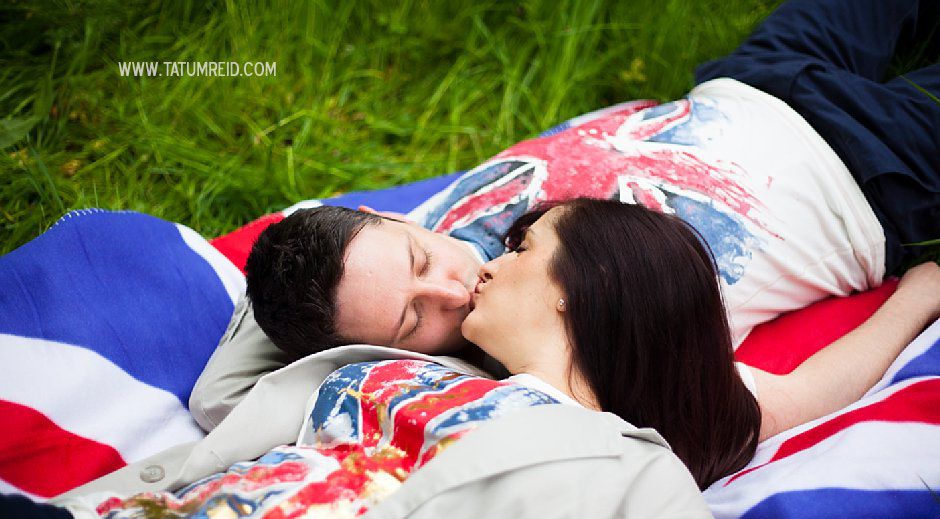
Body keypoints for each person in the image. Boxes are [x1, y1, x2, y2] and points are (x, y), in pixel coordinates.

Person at [4, 196, 938, 519]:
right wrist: (375, 240)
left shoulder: (641, 487)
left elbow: (801, 397)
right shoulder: (393, 364)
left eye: (524, 246)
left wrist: (921, 290)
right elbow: (241, 364)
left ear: (578, 287)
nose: (477, 263)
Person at [189, 0, 939, 431]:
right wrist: (920, 294)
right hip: (875, 168)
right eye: (413, 320)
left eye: (421, 262)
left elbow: (323, 232)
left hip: (745, 82)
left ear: (382, 221)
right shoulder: (563, 358)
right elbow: (221, 401)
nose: (455, 288)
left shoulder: (387, 236)